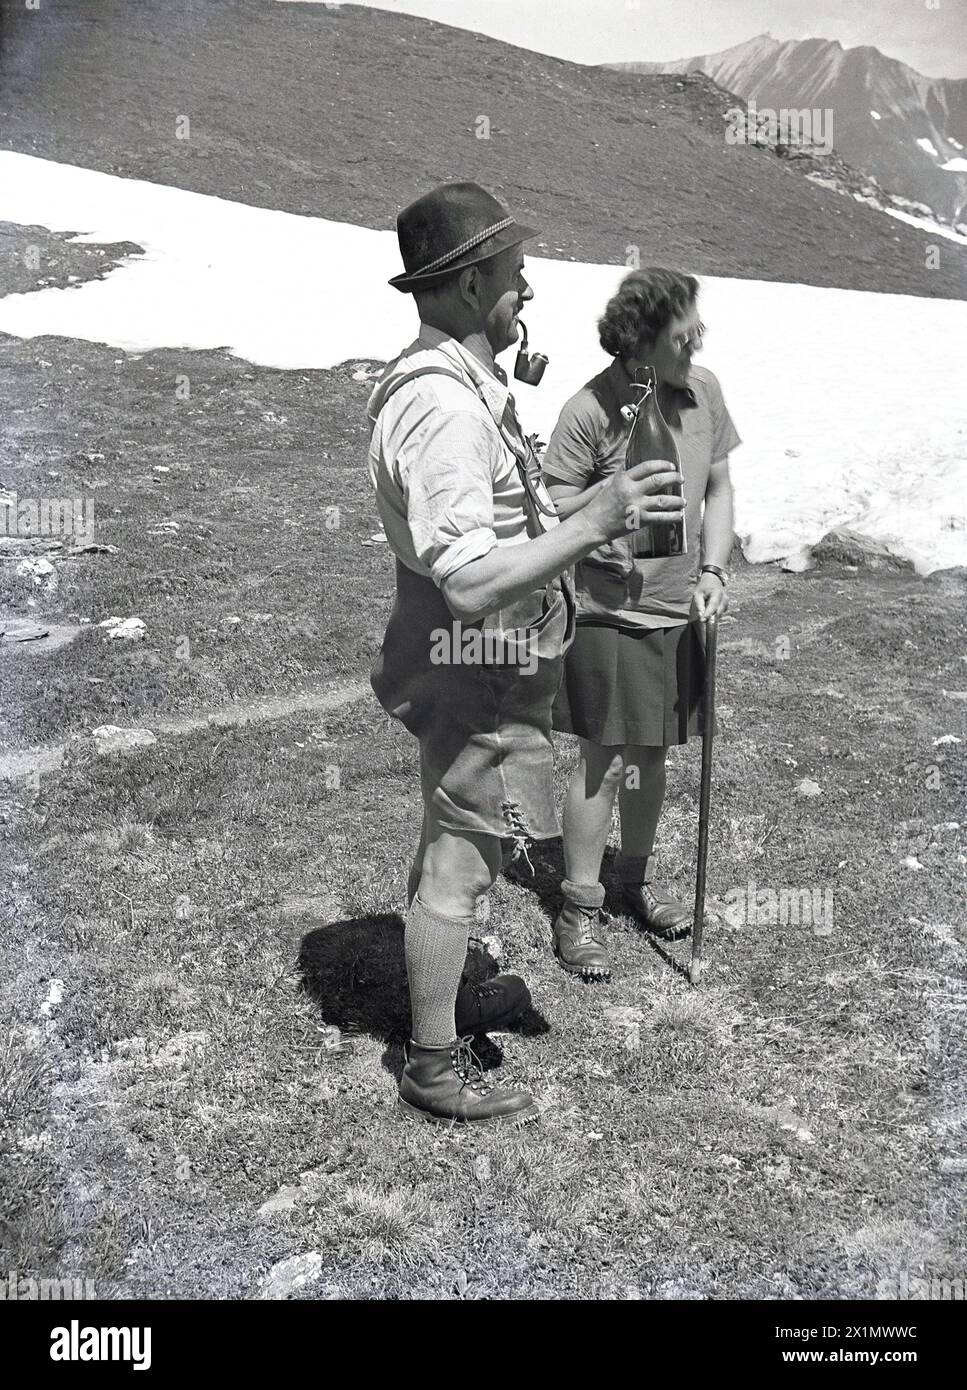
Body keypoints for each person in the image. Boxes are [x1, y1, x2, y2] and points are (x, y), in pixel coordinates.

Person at [368, 186, 686, 1122]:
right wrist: (590, 518)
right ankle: (431, 1062)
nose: (527, 290)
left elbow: (496, 531)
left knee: (454, 833)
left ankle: (449, 996)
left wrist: (585, 536)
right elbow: (466, 579)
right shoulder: (444, 410)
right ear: (470, 285)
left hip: (482, 653)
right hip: (474, 655)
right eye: (512, 276)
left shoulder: (456, 381)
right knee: (462, 857)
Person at [541, 267, 740, 980]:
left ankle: (632, 882)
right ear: (639, 340)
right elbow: (551, 501)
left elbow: (717, 487)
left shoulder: (703, 390)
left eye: (696, 334)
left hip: (676, 608)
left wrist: (713, 571)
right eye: (681, 337)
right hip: (608, 611)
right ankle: (579, 907)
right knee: (605, 756)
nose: (695, 346)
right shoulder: (589, 410)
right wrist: (603, 506)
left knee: (650, 754)